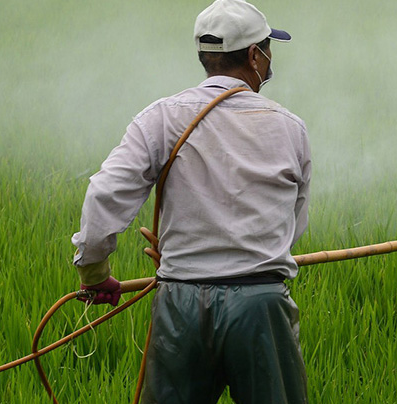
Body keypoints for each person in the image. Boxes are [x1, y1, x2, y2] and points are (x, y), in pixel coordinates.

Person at [69, 0, 310, 402]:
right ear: (254, 55)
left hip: (180, 305)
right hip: (261, 307)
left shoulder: (161, 117)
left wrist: (94, 274)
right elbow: (293, 227)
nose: (269, 60)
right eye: (268, 49)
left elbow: (105, 192)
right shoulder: (290, 128)